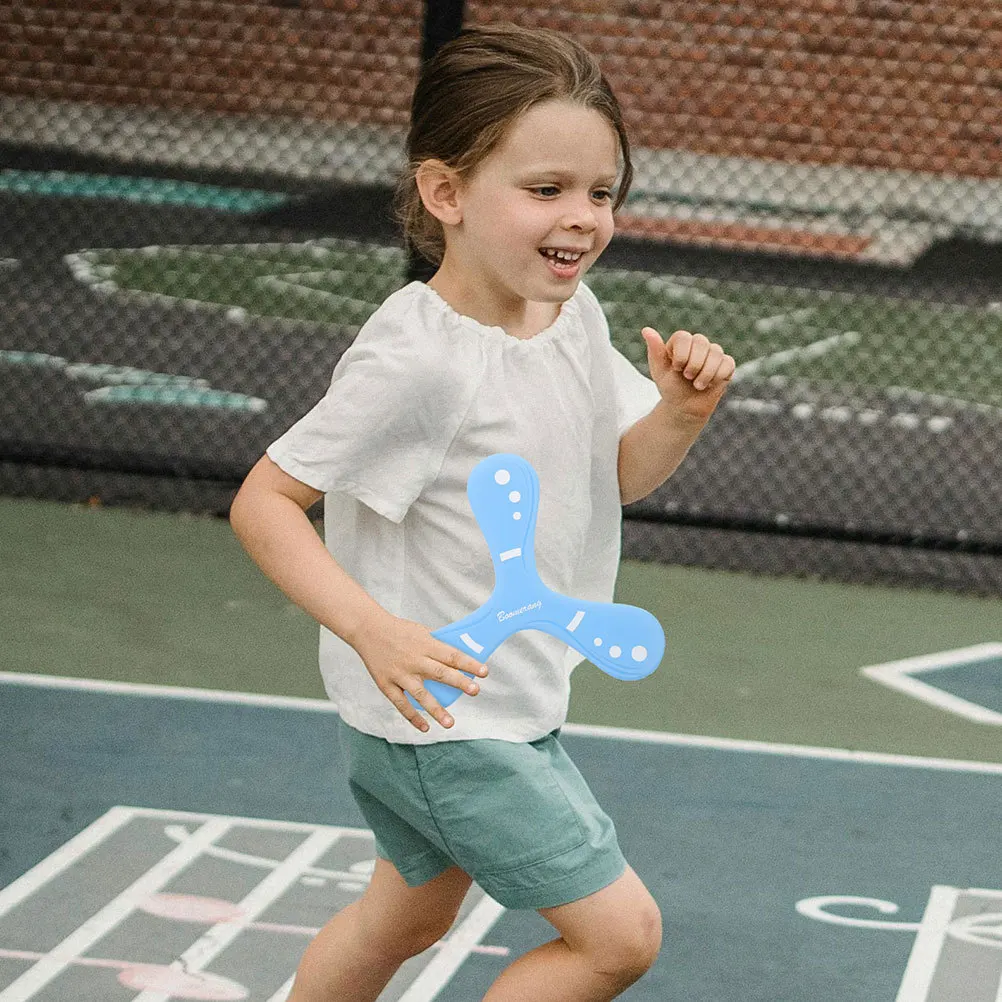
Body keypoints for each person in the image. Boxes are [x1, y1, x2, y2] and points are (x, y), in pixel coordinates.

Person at [229, 22, 734, 1002]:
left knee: (402, 918)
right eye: (545, 189)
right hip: (446, 723)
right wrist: (373, 629)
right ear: (446, 193)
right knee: (617, 937)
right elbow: (267, 501)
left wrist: (680, 413)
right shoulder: (417, 360)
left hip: (492, 705)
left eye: (601, 192)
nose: (581, 217)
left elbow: (616, 476)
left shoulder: (571, 316)